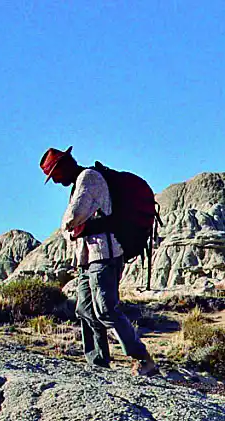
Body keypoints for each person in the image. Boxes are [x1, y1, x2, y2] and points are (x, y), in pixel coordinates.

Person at [39, 146, 158, 375]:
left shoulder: (89, 178)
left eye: (54, 174)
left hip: (104, 255)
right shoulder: (77, 184)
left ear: (64, 166)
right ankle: (97, 364)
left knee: (105, 309)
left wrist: (69, 228)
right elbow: (74, 226)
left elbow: (72, 217)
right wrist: (73, 230)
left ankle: (142, 358)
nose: (54, 181)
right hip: (87, 258)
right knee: (85, 309)